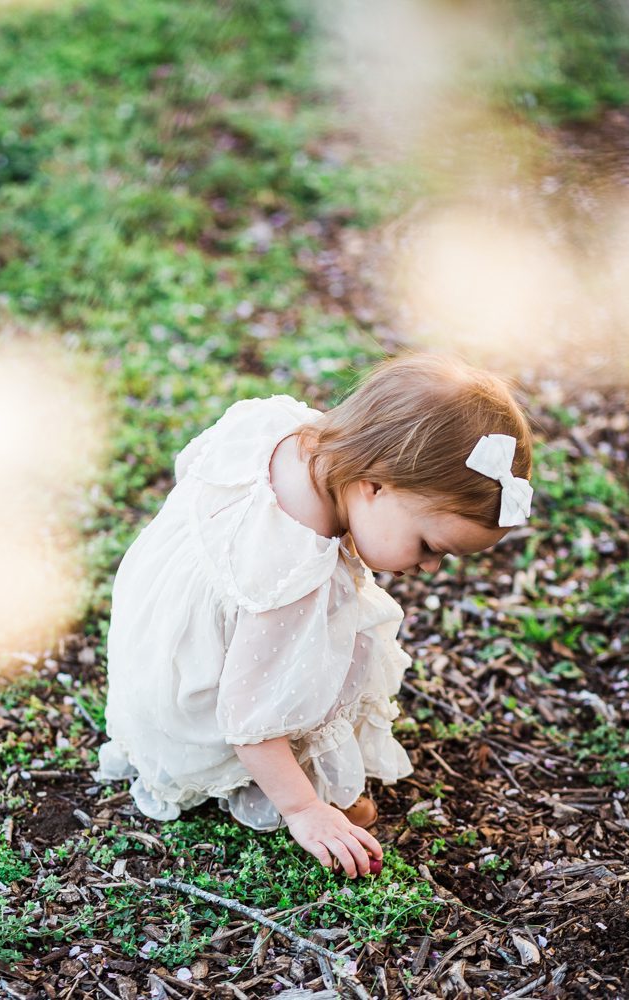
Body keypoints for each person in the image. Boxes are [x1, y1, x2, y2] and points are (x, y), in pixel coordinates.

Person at [97, 353, 533, 878]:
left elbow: (191, 473)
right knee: (310, 721)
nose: (431, 566)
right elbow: (247, 719)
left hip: (151, 644)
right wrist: (305, 810)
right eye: (428, 545)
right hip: (198, 706)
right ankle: (290, 783)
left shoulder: (280, 427)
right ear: (374, 486)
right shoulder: (291, 573)